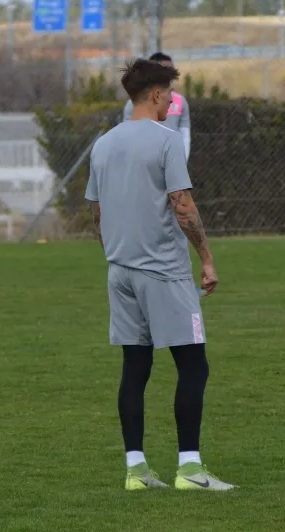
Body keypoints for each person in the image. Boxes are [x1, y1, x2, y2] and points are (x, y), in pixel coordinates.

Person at [85, 58, 234, 491]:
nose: (171, 101)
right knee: (194, 366)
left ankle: (136, 471)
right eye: (168, 93)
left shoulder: (103, 145)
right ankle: (190, 470)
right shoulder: (166, 141)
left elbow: (97, 213)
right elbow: (182, 205)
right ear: (154, 94)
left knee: (135, 368)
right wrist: (206, 257)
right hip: (164, 272)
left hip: (120, 272)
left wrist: (115, 253)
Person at [122, 52, 191, 161]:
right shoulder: (133, 103)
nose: (169, 74)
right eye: (165, 70)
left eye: (171, 69)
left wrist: (181, 161)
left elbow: (185, 135)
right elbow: (127, 135)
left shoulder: (180, 101)